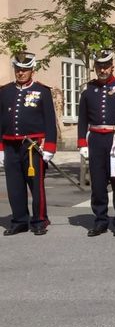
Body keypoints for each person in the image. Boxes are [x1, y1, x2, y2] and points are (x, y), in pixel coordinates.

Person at [77, 49, 115, 237]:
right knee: (97, 184)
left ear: (112, 66)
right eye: (99, 66)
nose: (102, 70)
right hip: (96, 140)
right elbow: (82, 120)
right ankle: (100, 220)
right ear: (95, 67)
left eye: (105, 66)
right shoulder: (88, 89)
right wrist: (82, 144)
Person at [1, 49, 57, 236]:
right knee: (14, 186)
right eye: (18, 69)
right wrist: (1, 149)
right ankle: (19, 220)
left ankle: (40, 220)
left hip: (33, 147)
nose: (20, 72)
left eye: (24, 69)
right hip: (10, 146)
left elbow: (50, 121)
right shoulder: (5, 91)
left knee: (36, 186)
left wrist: (49, 147)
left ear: (32, 69)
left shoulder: (42, 91)